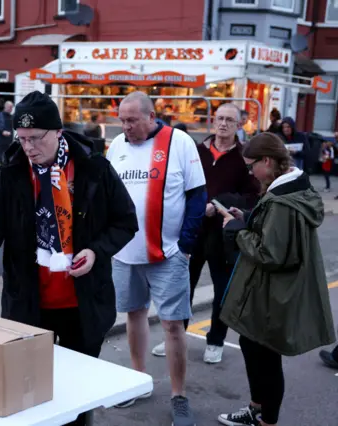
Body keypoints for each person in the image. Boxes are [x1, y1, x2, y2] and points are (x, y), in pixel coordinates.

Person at [0, 91, 138, 426]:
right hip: (29, 305)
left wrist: (96, 250)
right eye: (21, 140)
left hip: (83, 304)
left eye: (35, 139)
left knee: (77, 398)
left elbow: (125, 221)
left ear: (57, 133)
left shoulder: (94, 169)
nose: (28, 148)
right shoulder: (12, 174)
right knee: (31, 398)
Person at [216, 132, 335, 426]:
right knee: (251, 344)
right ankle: (257, 409)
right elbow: (276, 234)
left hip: (272, 294)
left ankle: (266, 420)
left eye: (251, 165)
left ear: (267, 161)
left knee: (265, 358)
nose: (249, 172)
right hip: (271, 291)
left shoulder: (281, 201)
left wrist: (236, 229)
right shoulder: (291, 188)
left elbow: (270, 254)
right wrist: (246, 217)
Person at [107, 91, 206, 426]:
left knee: (172, 325)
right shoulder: (117, 145)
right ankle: (138, 381)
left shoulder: (179, 142)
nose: (125, 126)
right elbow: (109, 195)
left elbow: (197, 196)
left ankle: (179, 396)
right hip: (124, 253)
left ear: (151, 117)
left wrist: (186, 245)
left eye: (132, 120)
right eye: (121, 119)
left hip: (167, 254)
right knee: (133, 315)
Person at [152, 103, 260, 363]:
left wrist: (219, 203)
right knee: (181, 287)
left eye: (229, 120)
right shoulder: (196, 151)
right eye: (220, 119)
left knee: (221, 290)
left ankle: (216, 340)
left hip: (224, 234)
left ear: (238, 126)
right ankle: (175, 337)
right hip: (192, 230)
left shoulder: (243, 158)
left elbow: (252, 196)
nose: (223, 124)